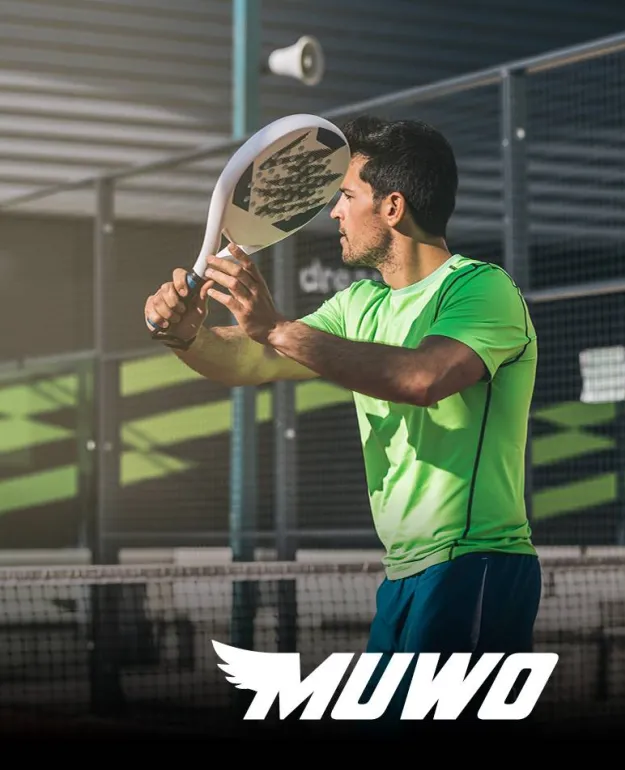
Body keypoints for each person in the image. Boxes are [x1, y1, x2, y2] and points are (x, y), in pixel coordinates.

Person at [144, 115, 542, 728]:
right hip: (405, 573)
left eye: (347, 195)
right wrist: (186, 335)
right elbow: (252, 358)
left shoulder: (482, 289)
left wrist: (276, 327)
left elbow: (422, 378)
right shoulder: (359, 304)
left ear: (392, 206)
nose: (333, 212)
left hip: (475, 563)